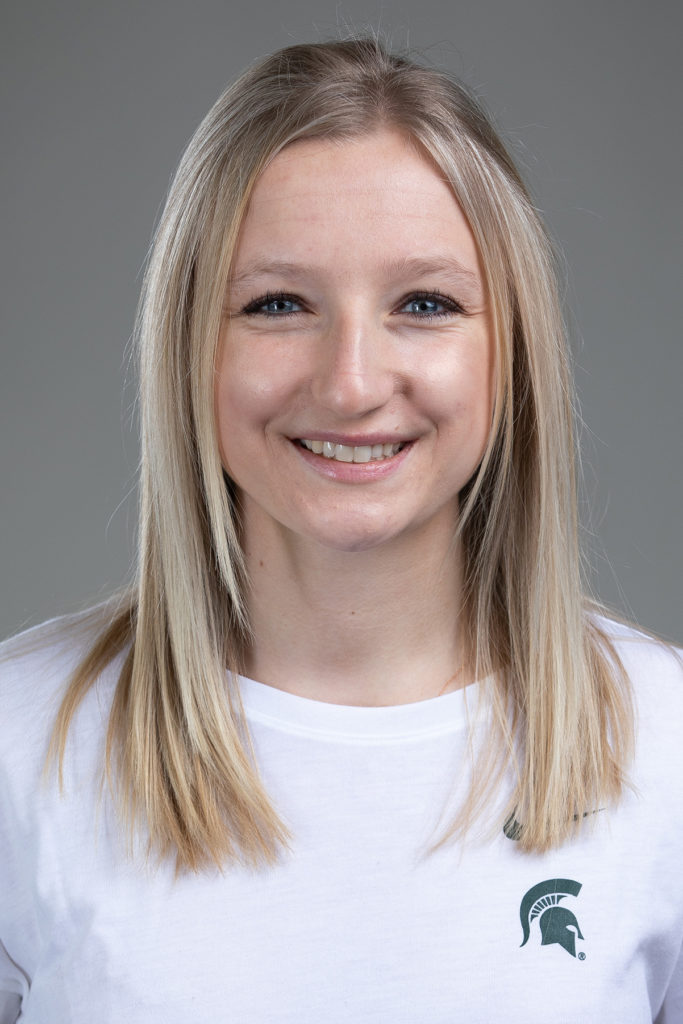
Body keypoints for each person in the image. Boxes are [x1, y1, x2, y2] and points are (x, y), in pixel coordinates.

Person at [1, 37, 681, 1024]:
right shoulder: (22, 745)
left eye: (423, 303)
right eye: (277, 304)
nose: (352, 382)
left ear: (511, 352)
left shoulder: (667, 747)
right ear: (191, 344)